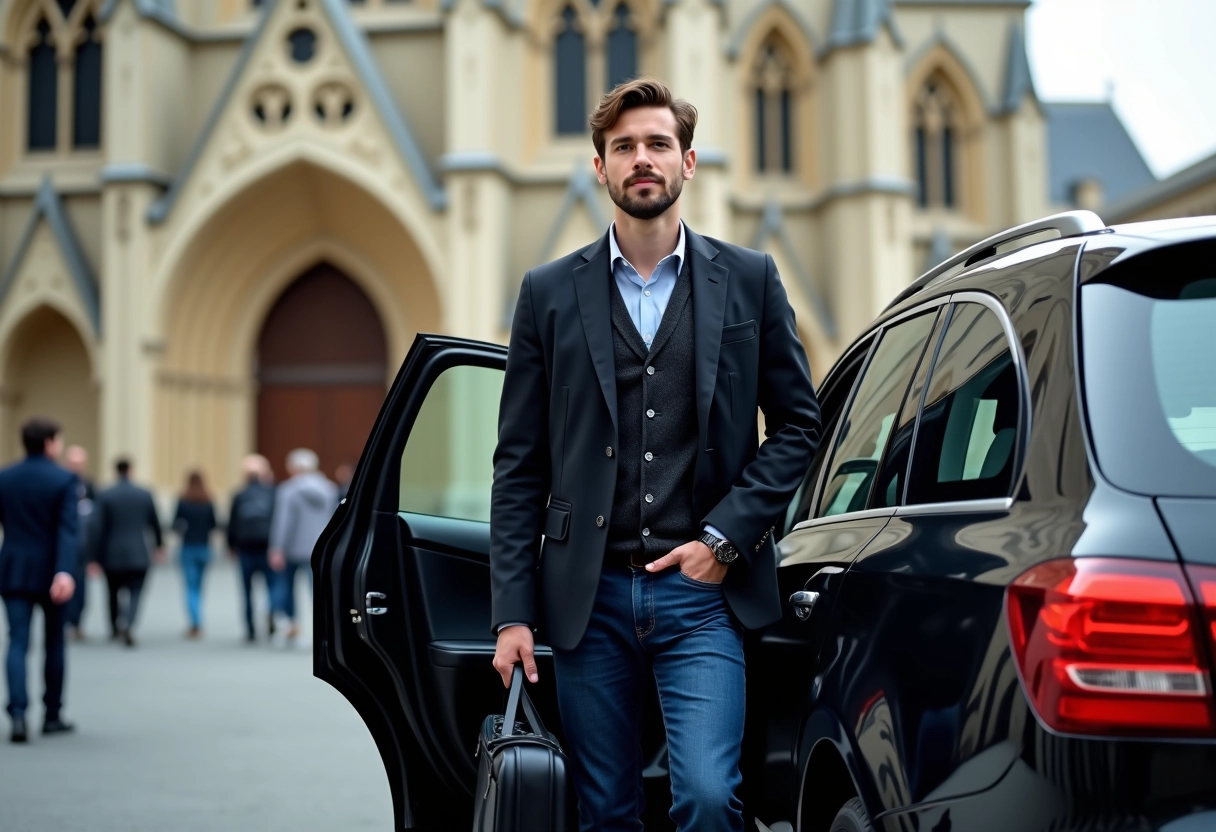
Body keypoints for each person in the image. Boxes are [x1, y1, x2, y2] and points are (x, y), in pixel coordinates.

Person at [489, 79, 821, 831]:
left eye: (658, 145)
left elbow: (800, 425)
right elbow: (519, 465)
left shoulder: (749, 280)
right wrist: (512, 613)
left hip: (704, 598)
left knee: (706, 796)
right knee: (606, 810)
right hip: (589, 597)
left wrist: (723, 539)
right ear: (600, 168)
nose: (643, 159)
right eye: (625, 147)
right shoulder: (546, 292)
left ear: (689, 162)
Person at [0, 418, 79, 743]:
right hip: (50, 571)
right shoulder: (64, 479)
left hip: (14, 568)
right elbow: (67, 529)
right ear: (49, 443)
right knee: (54, 642)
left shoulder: (5, 477)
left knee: (17, 641)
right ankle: (51, 715)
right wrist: (64, 571)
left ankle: (17, 714)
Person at [268, 448, 336, 646]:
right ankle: (324, 631)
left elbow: (284, 522)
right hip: (319, 548)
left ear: (294, 467)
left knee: (286, 588)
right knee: (318, 591)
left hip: (292, 549)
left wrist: (277, 547)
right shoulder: (328, 489)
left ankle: (292, 627)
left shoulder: (288, 490)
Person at [93, 459, 163, 647]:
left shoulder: (105, 494)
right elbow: (154, 523)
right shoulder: (144, 494)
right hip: (138, 552)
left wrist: (94, 556)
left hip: (111, 552)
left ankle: (115, 627)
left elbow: (97, 528)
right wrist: (159, 545)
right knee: (136, 592)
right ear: (131, 471)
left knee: (112, 592)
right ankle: (130, 623)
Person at [227, 454, 276, 643]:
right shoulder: (271, 493)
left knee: (247, 590)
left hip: (245, 548)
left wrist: (230, 546)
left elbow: (232, 523)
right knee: (271, 585)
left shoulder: (239, 494)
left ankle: (250, 629)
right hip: (266, 547)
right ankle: (271, 612)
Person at [173, 470, 217, 639]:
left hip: (188, 547)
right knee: (199, 586)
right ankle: (197, 618)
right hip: (204, 547)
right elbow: (214, 524)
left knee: (190, 587)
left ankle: (195, 621)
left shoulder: (183, 501)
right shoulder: (208, 500)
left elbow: (175, 524)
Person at [62, 445, 95, 641]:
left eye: (80, 464)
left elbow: (94, 514)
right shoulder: (59, 481)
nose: (77, 467)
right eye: (74, 463)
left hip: (83, 547)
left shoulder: (88, 484)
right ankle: (65, 622)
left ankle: (77, 623)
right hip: (64, 545)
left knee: (81, 589)